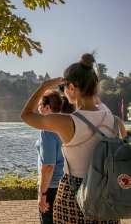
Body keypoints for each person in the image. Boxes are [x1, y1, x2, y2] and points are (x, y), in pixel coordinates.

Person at [21, 53, 121, 223]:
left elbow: (26, 115)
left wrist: (44, 86)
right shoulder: (113, 119)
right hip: (106, 198)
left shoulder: (66, 122)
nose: (64, 92)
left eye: (64, 87)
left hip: (73, 197)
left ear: (73, 87)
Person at [35, 90, 75, 224]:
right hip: (68, 185)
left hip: (51, 189)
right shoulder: (68, 124)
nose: (38, 108)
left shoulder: (47, 130)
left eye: (40, 105)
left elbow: (48, 166)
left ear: (47, 107)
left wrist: (42, 194)